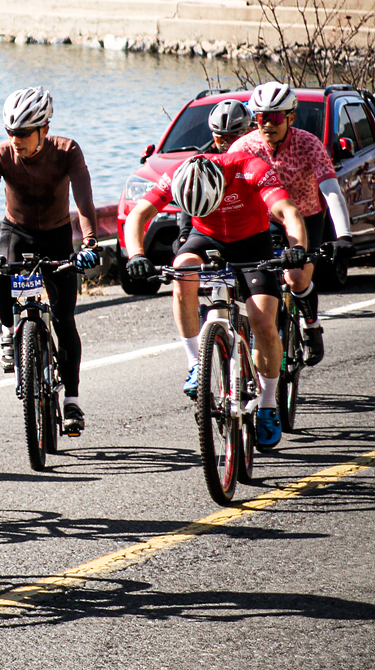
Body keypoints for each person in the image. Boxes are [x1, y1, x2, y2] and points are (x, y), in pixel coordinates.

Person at [124, 150, 309, 450]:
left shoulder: (248, 167)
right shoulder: (179, 173)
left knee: (263, 321)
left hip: (252, 243)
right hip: (206, 238)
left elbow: (288, 211)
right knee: (181, 273)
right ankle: (195, 363)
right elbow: (138, 215)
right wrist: (135, 255)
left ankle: (267, 403)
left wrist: (296, 247)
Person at [0, 86, 100, 434]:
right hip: (17, 231)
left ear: (44, 129)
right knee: (0, 280)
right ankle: (8, 332)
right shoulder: (0, 155)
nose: (15, 139)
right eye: (10, 131)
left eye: (23, 133)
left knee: (64, 319)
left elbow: (84, 198)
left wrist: (90, 243)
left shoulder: (67, 151)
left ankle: (72, 401)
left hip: (57, 237)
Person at [241, 80, 351, 365]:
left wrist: (344, 236)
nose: (268, 124)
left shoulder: (308, 144)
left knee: (297, 277)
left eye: (275, 118)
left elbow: (331, 190)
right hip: (263, 220)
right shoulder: (245, 146)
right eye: (262, 118)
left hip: (306, 217)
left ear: (290, 118)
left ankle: (311, 326)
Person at [173, 98, 253, 250]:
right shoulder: (201, 158)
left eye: (233, 138)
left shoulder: (255, 155)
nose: (226, 144)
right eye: (220, 138)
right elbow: (190, 196)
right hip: (212, 225)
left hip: (249, 225)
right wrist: (184, 233)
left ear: (248, 132)